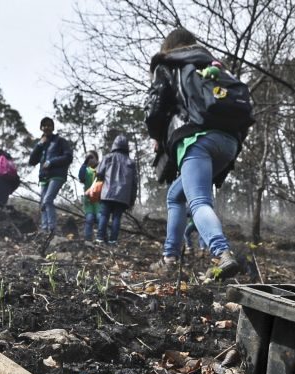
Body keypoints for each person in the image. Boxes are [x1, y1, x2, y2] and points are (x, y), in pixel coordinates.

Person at [144, 27, 247, 279]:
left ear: (168, 47)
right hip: (229, 143)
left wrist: (157, 135)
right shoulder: (214, 65)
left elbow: (155, 107)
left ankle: (222, 253)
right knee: (176, 195)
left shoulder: (168, 64)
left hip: (196, 140)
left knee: (198, 200)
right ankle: (170, 257)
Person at [28, 117, 73, 234]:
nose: (47, 127)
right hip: (44, 176)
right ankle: (44, 229)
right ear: (41, 128)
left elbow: (68, 157)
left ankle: (52, 229)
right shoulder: (41, 144)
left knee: (47, 200)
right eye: (44, 125)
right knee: (43, 202)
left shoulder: (60, 141)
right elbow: (32, 161)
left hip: (57, 175)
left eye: (49, 125)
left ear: (53, 127)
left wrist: (51, 162)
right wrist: (38, 145)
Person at [93, 134, 138, 244]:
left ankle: (99, 238)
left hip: (107, 192)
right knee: (117, 218)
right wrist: (132, 200)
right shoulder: (131, 162)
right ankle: (113, 241)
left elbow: (99, 173)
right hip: (123, 196)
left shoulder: (108, 157)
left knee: (104, 215)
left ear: (114, 145)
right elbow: (134, 183)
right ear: (126, 147)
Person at [77, 150, 101, 242]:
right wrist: (84, 164)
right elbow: (81, 177)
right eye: (87, 158)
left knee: (100, 218)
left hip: (99, 200)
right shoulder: (86, 170)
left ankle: (102, 239)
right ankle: (87, 241)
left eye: (91, 157)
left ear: (96, 158)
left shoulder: (100, 168)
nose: (89, 159)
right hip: (88, 201)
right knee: (89, 219)